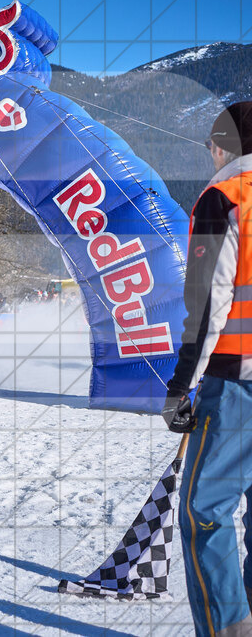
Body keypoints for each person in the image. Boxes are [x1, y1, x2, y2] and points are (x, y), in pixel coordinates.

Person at [161, 102, 252, 637]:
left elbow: (208, 302)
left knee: (206, 512)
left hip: (236, 381)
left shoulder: (225, 197)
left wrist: (180, 386)